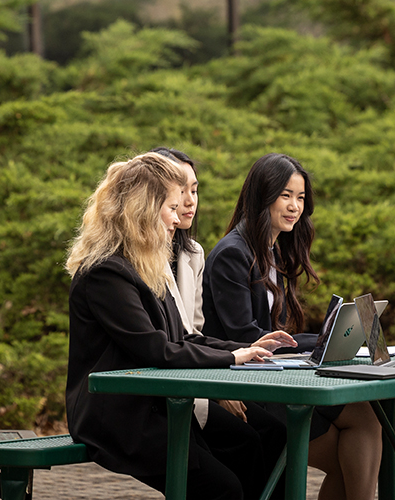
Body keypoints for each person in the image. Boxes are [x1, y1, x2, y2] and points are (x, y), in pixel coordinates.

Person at [65, 152, 297, 499]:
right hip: (120, 417)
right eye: (172, 208)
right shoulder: (106, 273)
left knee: (262, 444)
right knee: (223, 487)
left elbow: (185, 336)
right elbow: (155, 349)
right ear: (144, 210)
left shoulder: (147, 264)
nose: (178, 219)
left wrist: (246, 349)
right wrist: (232, 359)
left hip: (159, 406)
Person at [202, 152, 383, 500]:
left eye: (300, 198)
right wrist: (319, 340)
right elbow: (248, 340)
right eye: (285, 195)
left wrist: (322, 342)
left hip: (277, 376)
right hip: (247, 388)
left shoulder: (275, 253)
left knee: (366, 417)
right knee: (352, 459)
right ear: (262, 195)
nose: (294, 207)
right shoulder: (231, 254)